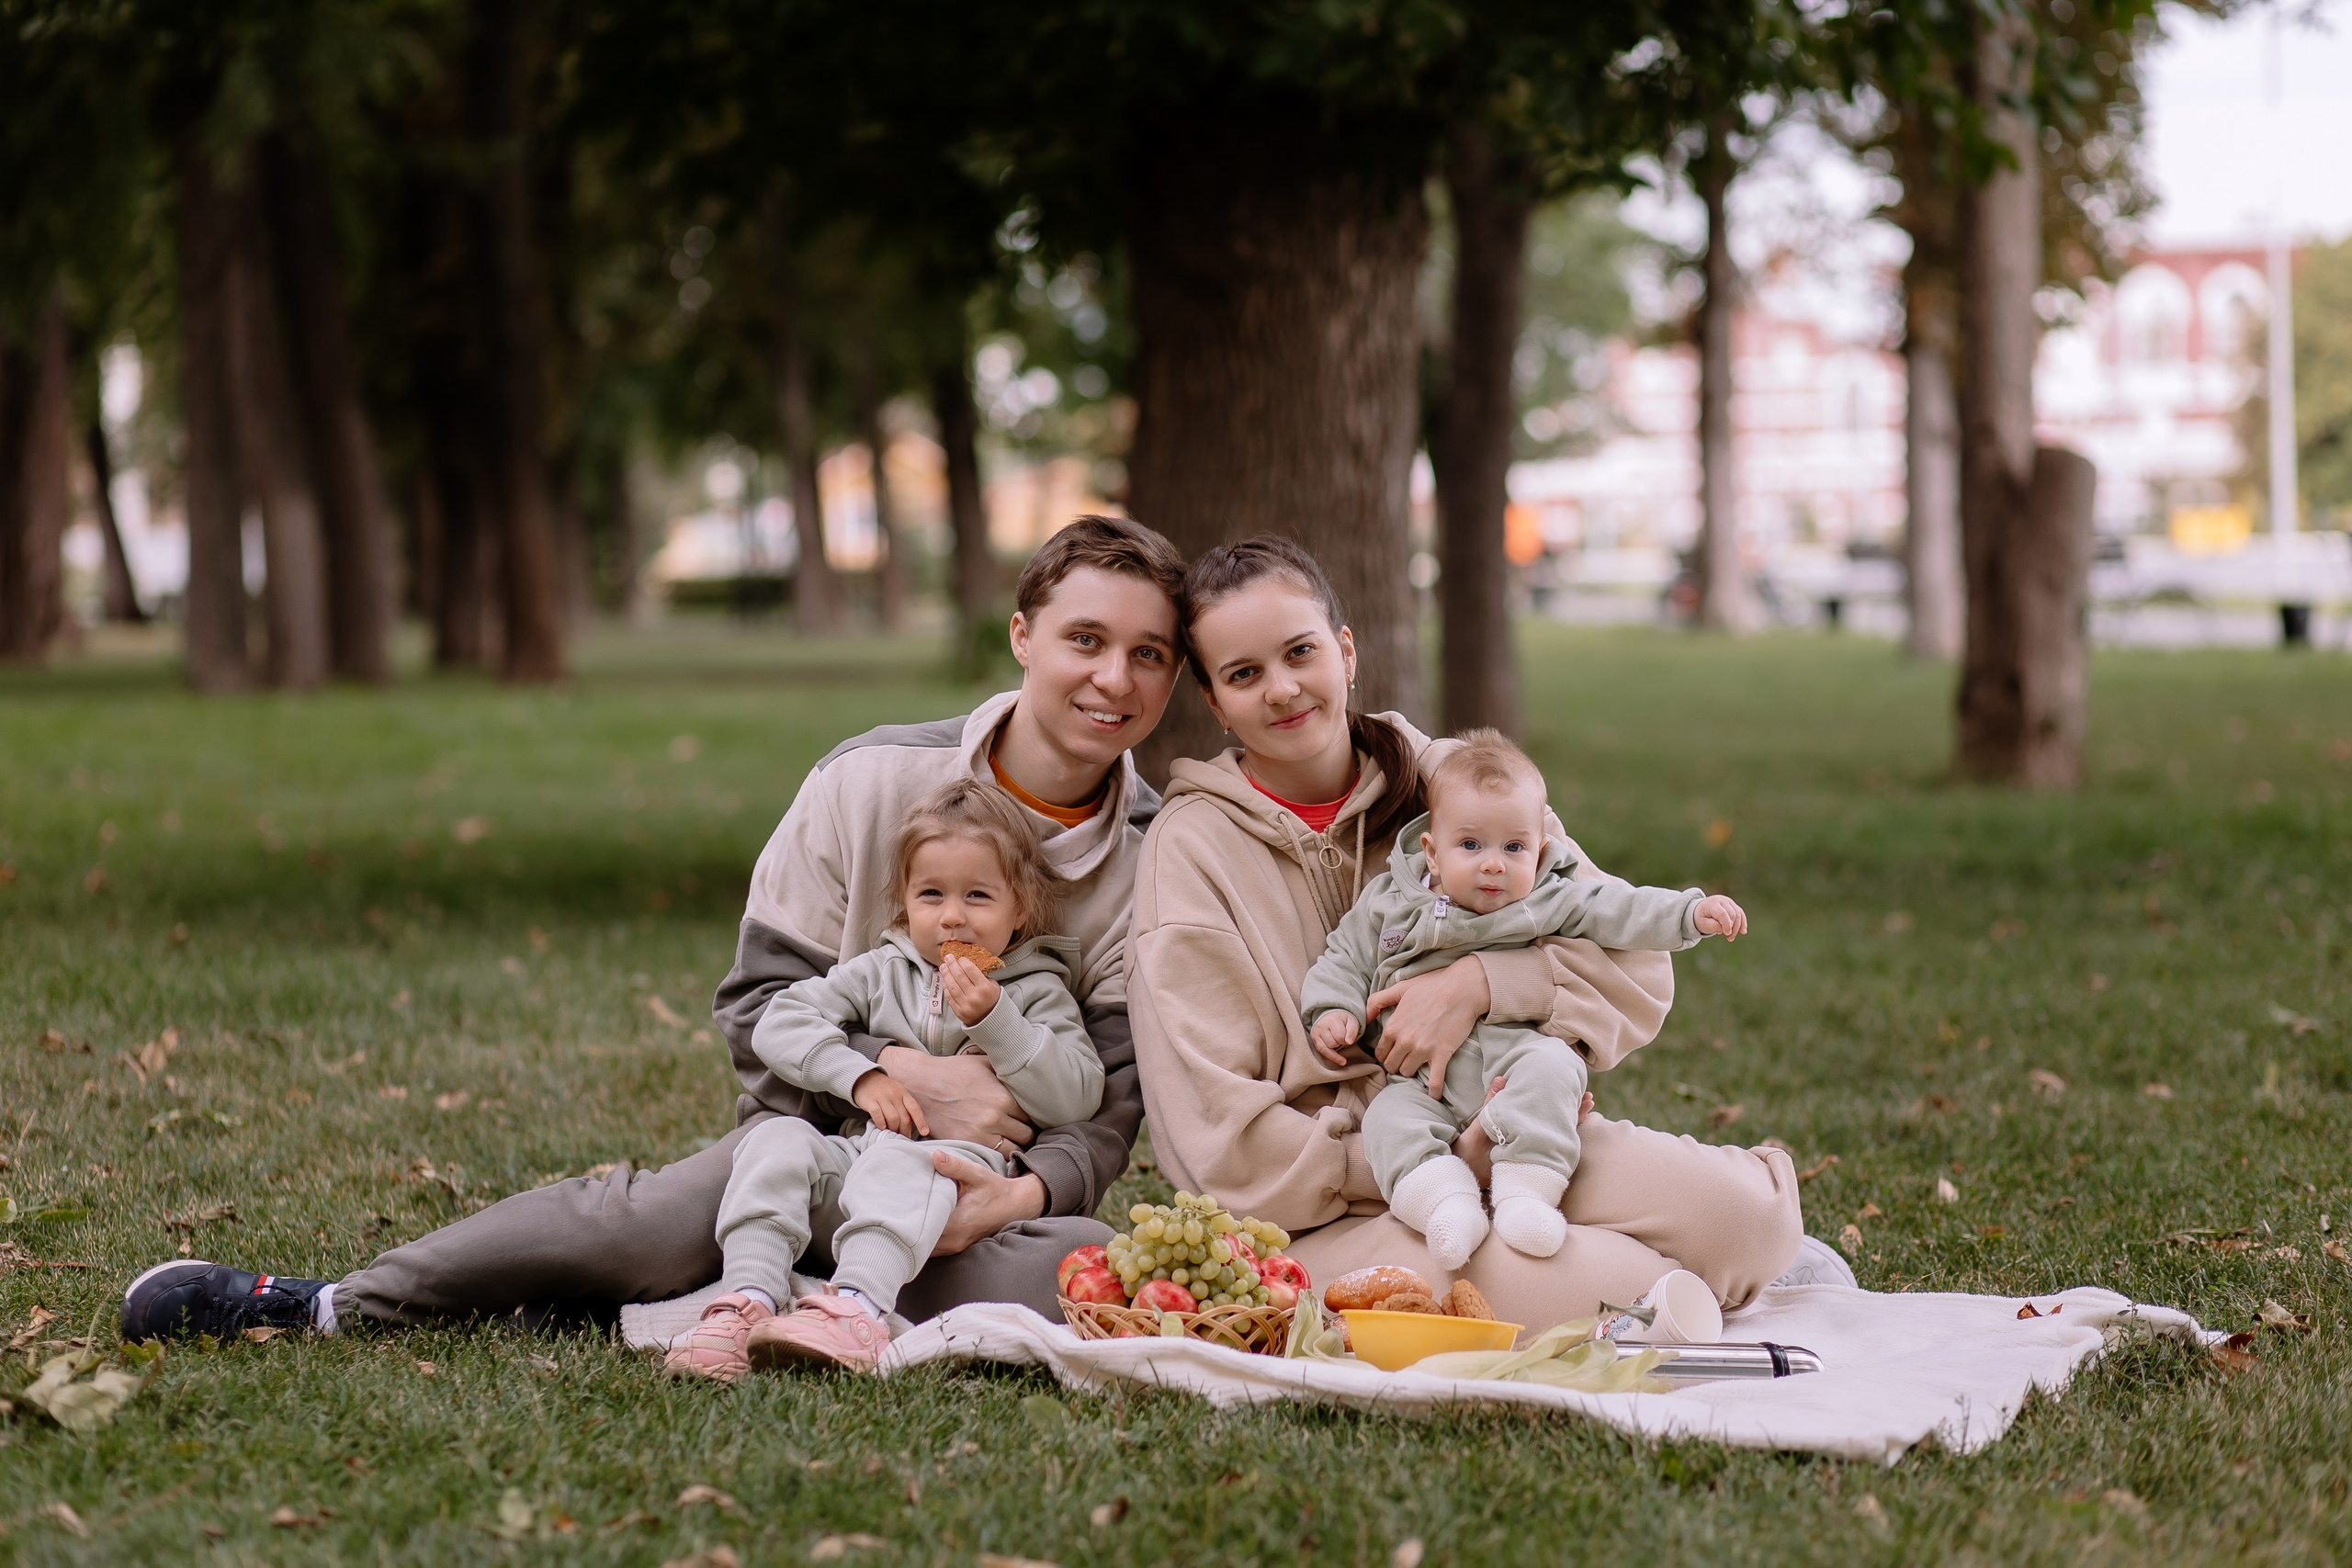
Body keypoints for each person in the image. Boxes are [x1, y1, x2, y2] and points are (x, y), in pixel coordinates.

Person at [121, 516, 1186, 1342]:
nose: (1113, 679)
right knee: (633, 1223)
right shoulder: (868, 781)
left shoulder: (1156, 857)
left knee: (1072, 1266)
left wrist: (1015, 1193)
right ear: (1021, 637)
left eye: (1149, 655)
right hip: (806, 1153)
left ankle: (716, 1303)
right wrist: (893, 1070)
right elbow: (760, 1006)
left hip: (973, 1197)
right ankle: (322, 1304)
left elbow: (1110, 1105)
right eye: (1084, 640)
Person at [1128, 535, 1845, 1334]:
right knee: (1631, 1292)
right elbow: (1215, 1148)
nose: (1283, 688)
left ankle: (1732, 1248)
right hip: (1336, 1210)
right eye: (1244, 673)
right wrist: (1428, 1160)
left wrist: (1484, 985)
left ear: (1346, 650)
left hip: (1514, 1123)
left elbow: (1634, 963)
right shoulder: (1189, 852)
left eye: (1300, 652)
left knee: (1751, 1219)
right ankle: (1681, 1270)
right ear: (1213, 700)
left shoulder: (1456, 782)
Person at [667, 779, 1104, 1381]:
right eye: (932, 894)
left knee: (907, 1160)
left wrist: (997, 1020)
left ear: (1019, 907)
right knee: (776, 1140)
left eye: (978, 895)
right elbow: (779, 1021)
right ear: (905, 901)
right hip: (857, 1159)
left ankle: (857, 1310)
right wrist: (863, 1075)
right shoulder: (879, 971)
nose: (953, 915)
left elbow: (1077, 1093)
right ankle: (748, 1300)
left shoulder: (1035, 992)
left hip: (954, 1178)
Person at [1300, 729, 1750, 1269]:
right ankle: (1444, 1201)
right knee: (1387, 1123)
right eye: (1471, 845)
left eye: (1513, 848)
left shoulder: (1546, 896)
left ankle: (1526, 1195)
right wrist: (1333, 1010)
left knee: (1555, 1066)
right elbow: (1344, 957)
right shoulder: (1391, 903)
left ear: (1538, 852)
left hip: (1513, 1058)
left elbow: (1619, 908)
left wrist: (1688, 914)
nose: (1493, 864)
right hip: (1419, 1084)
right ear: (1433, 853)